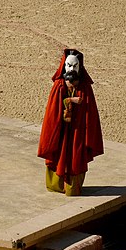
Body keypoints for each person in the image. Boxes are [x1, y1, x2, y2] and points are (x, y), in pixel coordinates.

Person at [37, 48, 104, 196]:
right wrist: (70, 100)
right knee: (59, 154)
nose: (71, 69)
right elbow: (53, 111)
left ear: (80, 66)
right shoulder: (59, 85)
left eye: (74, 66)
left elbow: (90, 112)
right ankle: (57, 185)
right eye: (68, 65)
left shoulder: (85, 86)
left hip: (77, 130)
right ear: (64, 66)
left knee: (75, 156)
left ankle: (72, 187)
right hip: (61, 130)